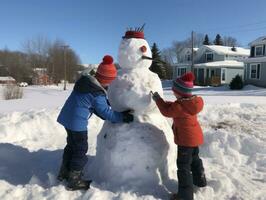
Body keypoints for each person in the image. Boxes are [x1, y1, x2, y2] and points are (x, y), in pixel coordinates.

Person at [57, 55, 134, 190]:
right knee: (80, 149)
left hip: (67, 119)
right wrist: (122, 117)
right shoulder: (96, 93)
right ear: (105, 80)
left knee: (71, 145)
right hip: (77, 123)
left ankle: (64, 171)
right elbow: (105, 112)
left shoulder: (86, 83)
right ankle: (74, 180)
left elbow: (91, 103)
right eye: (109, 83)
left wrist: (105, 102)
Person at [151, 72, 207, 200]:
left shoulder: (179, 106)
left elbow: (167, 111)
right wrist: (166, 102)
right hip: (194, 138)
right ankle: (200, 181)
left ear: (180, 93)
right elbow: (176, 105)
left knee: (183, 167)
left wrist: (158, 100)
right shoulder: (191, 102)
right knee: (195, 160)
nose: (174, 94)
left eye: (175, 92)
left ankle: (185, 195)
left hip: (185, 141)